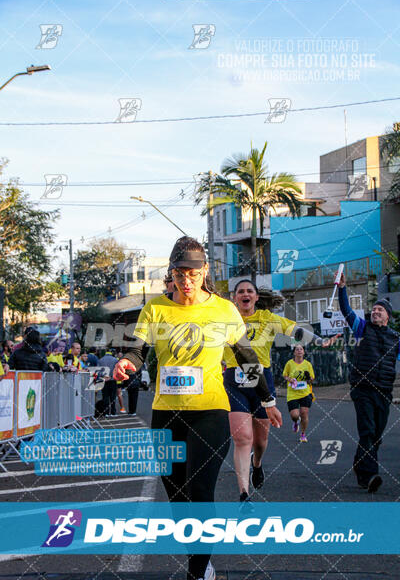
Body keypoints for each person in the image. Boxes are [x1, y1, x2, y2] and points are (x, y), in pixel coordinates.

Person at [114, 236, 281, 580]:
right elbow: (137, 350)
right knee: (176, 493)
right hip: (166, 413)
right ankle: (200, 557)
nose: (186, 280)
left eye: (192, 272)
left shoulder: (223, 309)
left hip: (210, 411)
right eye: (179, 273)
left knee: (200, 488)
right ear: (171, 273)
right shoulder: (156, 308)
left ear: (204, 271)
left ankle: (197, 571)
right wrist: (126, 363)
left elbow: (247, 356)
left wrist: (267, 400)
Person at [223, 280, 336, 503]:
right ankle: (244, 493)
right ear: (234, 298)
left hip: (262, 383)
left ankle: (257, 463)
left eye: (249, 291)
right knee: (242, 438)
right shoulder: (226, 321)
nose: (245, 294)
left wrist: (320, 340)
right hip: (234, 383)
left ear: (256, 297)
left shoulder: (267, 319)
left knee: (260, 440)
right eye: (240, 292)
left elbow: (296, 330)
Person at [339, 271, 400, 493]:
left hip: (384, 392)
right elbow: (346, 311)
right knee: (367, 431)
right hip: (362, 389)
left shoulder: (396, 339)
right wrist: (342, 289)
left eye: (379, 310)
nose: (375, 312)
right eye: (373, 309)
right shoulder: (362, 328)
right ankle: (369, 476)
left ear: (387, 316)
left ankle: (359, 464)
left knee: (376, 436)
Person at [283, 344, 315, 443]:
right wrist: (290, 379)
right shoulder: (289, 363)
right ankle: (296, 422)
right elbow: (285, 375)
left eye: (301, 349)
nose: (299, 351)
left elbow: (312, 379)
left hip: (305, 393)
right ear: (294, 352)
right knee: (295, 415)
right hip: (292, 394)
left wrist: (308, 378)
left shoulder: (308, 364)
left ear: (304, 352)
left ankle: (303, 434)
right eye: (297, 349)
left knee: (304, 413)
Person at [98, 349, 119, 416]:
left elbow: (98, 371)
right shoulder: (115, 360)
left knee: (105, 397)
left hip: (104, 380)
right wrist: (111, 376)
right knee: (113, 397)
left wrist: (103, 377)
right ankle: (113, 412)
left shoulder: (100, 360)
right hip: (112, 380)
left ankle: (106, 413)